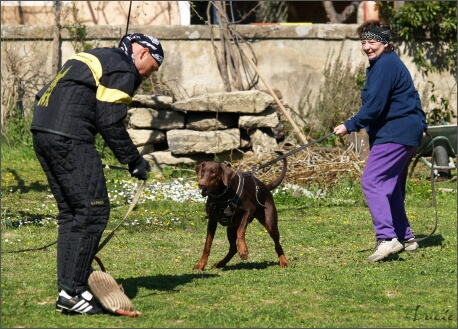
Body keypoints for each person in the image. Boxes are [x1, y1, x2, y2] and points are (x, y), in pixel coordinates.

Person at [31, 33, 164, 314]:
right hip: (70, 136)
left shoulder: (100, 56)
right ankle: (72, 293)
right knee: (93, 211)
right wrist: (134, 160)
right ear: (142, 54)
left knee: (74, 212)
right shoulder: (123, 68)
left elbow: (44, 93)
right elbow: (110, 121)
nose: (148, 77)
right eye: (152, 68)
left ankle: (70, 288)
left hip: (43, 131)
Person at [333, 20, 427, 263]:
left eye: (371, 42)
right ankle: (406, 237)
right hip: (405, 132)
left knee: (372, 181)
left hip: (395, 132)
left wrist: (349, 125)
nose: (366, 47)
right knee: (390, 186)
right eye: (363, 42)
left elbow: (374, 106)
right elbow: (407, 97)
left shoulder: (385, 65)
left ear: (385, 42)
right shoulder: (384, 63)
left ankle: (387, 238)